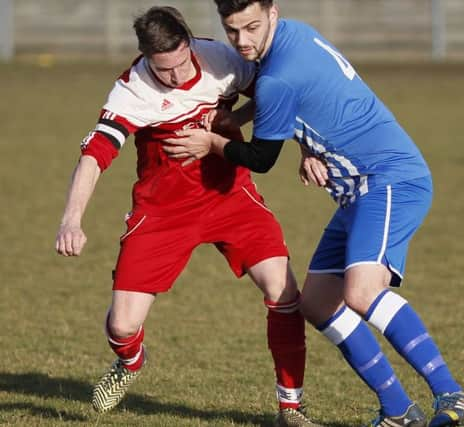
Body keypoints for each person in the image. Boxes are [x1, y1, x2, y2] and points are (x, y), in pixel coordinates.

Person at [163, 1, 464, 427]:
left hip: (388, 179)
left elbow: (259, 157)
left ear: (272, 11)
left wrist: (211, 143)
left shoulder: (277, 77)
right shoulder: (296, 34)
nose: (242, 41)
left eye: (252, 27)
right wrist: (301, 143)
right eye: (232, 30)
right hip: (357, 192)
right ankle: (399, 410)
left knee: (362, 292)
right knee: (316, 303)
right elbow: (306, 98)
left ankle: (451, 395)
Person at [54, 6, 324, 426]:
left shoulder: (219, 58)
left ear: (189, 44)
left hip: (230, 198)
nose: (178, 76)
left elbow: (278, 94)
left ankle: (291, 407)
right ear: (146, 59)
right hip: (163, 213)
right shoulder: (132, 90)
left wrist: (299, 145)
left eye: (183, 63)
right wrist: (72, 219)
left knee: (284, 292)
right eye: (165, 71)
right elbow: (94, 156)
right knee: (123, 326)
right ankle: (130, 362)